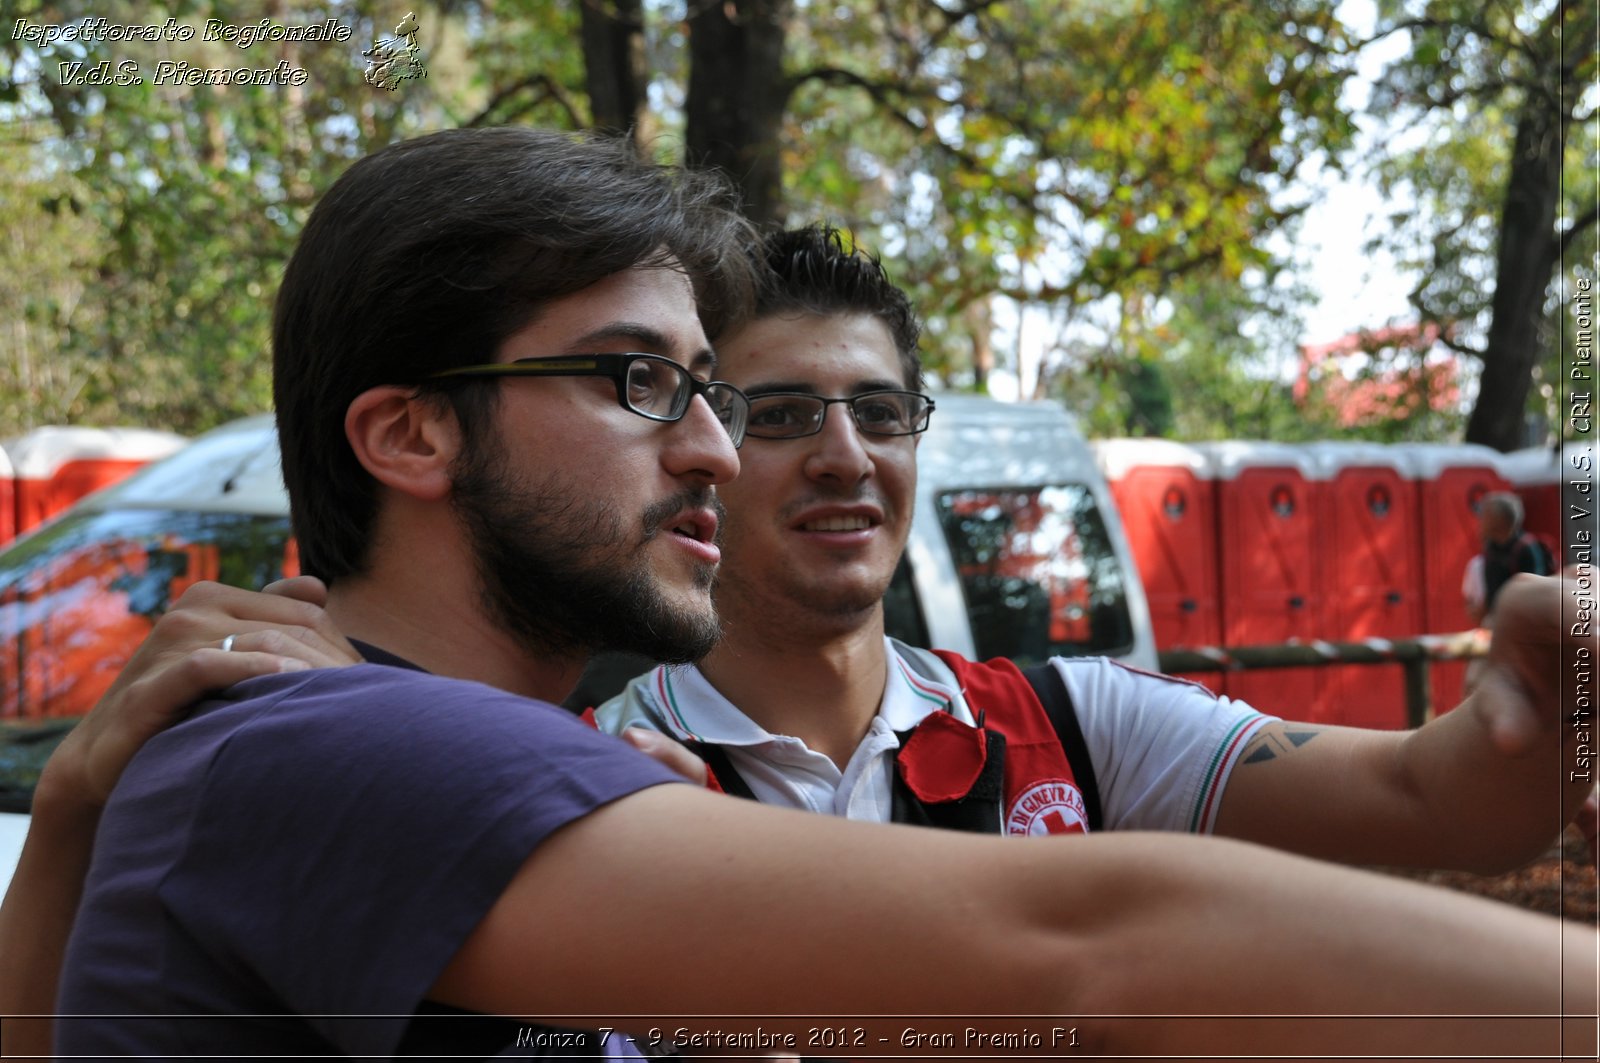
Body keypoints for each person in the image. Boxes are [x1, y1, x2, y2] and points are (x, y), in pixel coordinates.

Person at [1, 130, 1594, 1059]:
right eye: (642, 382)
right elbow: (1102, 941)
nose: (718, 450)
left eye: (714, 390)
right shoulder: (340, 743)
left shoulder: (486, 755)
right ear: (409, 430)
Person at [1472, 490, 1555, 625]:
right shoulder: (1491, 547)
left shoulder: (1526, 549)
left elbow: (1533, 598)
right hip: (1496, 622)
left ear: (1498, 521)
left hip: (1520, 625)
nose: (1480, 521)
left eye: (1484, 516)